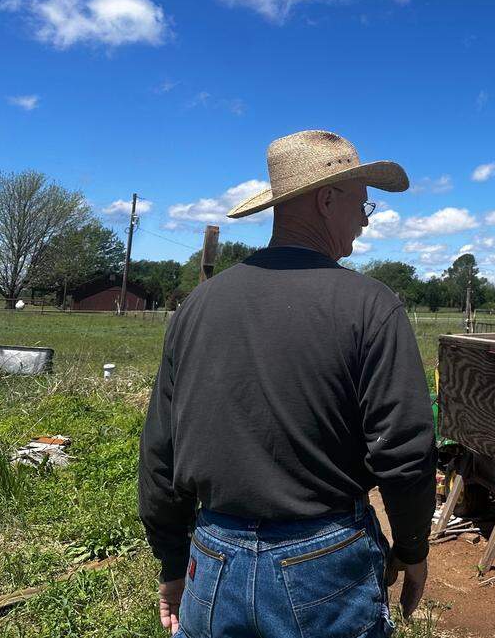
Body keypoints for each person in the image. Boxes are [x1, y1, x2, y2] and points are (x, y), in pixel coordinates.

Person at [138, 130, 436, 638]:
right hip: (325, 563)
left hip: (213, 559)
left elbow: (160, 453)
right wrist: (411, 549)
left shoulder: (197, 306)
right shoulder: (370, 305)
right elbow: (405, 451)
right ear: (326, 200)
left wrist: (172, 563)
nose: (364, 225)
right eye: (362, 208)